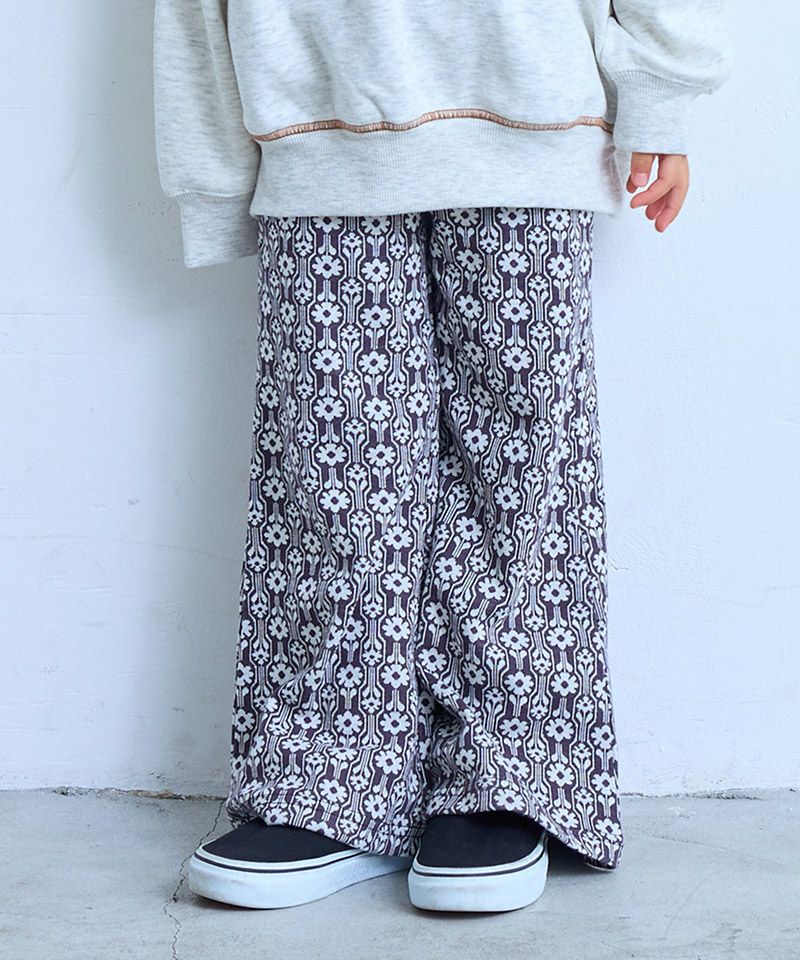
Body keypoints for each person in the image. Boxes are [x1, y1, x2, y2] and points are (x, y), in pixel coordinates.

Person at [152, 0, 732, 913]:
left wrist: (661, 93)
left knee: (519, 477)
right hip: (314, 123)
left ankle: (506, 774)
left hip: (532, 110)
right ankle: (327, 778)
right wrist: (216, 174)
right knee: (333, 477)